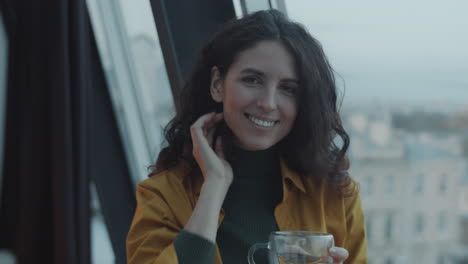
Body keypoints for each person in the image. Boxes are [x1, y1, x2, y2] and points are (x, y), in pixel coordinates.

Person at [126, 9, 367, 264]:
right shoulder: (162, 196)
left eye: (288, 89)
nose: (268, 103)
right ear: (217, 84)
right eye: (252, 80)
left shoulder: (334, 195)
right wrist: (214, 186)